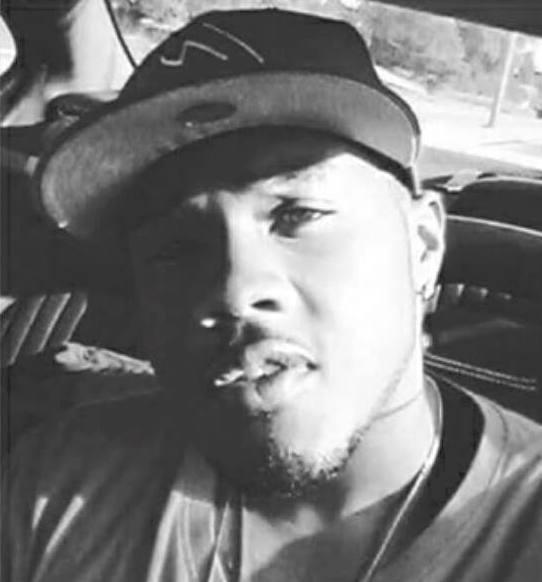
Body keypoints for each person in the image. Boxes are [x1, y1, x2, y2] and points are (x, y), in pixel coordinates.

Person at [5, 9, 542, 582]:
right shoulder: (56, 485)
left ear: (424, 244)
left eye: (298, 214)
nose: (234, 291)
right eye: (176, 248)